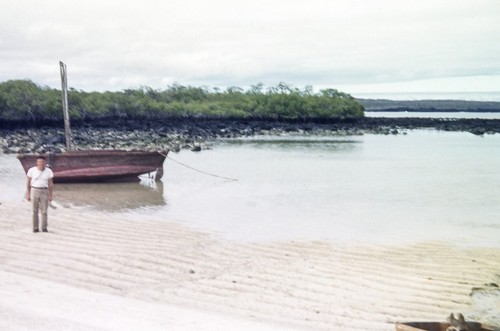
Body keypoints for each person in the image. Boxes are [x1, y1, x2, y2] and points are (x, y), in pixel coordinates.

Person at [25, 156, 54, 233]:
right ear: (37, 162)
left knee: (44, 211)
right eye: (39, 162)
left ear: (45, 163)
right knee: (34, 210)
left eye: (43, 162)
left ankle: (44, 227)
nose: (41, 163)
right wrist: (28, 193)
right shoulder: (31, 170)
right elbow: (28, 182)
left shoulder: (48, 171)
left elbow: (50, 184)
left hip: (44, 190)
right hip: (34, 189)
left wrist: (50, 195)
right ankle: (35, 227)